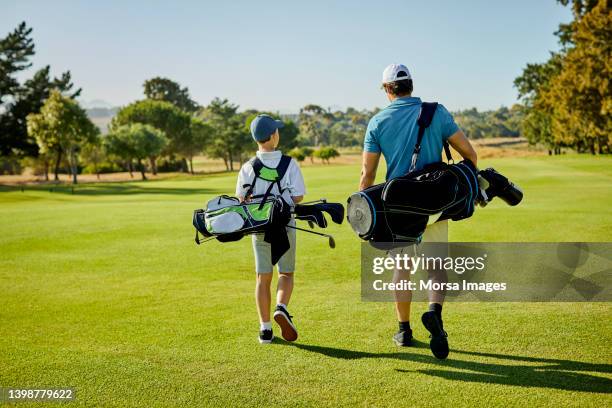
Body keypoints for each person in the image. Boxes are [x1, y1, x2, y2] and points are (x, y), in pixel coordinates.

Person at [359, 63, 477, 359]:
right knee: (436, 268)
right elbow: (470, 155)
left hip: (398, 208)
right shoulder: (436, 112)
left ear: (387, 89)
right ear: (411, 85)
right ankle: (434, 314)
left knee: (402, 270)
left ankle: (404, 330)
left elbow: (367, 175)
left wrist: (363, 216)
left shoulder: (377, 122)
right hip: (435, 205)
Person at [236, 114, 306, 344]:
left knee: (262, 278)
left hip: (259, 228)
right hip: (285, 225)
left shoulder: (248, 167)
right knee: (285, 273)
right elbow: (298, 197)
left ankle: (265, 329)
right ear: (274, 135)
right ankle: (282, 307)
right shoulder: (289, 163)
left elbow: (241, 199)